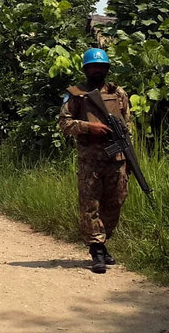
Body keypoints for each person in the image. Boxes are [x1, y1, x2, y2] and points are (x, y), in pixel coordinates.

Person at [57, 47, 134, 274]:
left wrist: (129, 157)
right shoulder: (76, 94)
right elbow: (64, 124)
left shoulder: (119, 94)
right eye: (93, 66)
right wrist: (89, 127)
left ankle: (102, 241)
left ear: (107, 68)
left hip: (117, 157)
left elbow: (128, 125)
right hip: (91, 159)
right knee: (90, 205)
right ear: (86, 69)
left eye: (101, 66)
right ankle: (96, 249)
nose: (97, 70)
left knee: (116, 201)